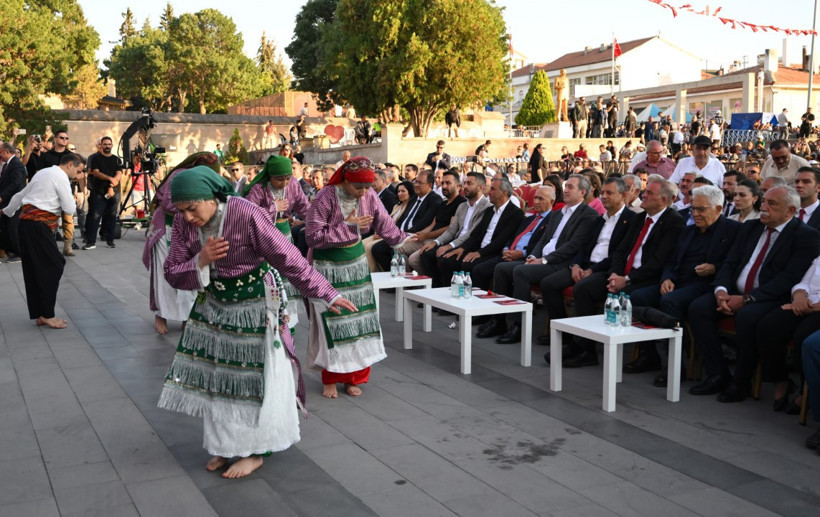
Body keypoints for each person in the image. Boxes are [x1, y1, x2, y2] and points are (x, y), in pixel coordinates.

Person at [158, 165, 352, 479]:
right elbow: (172, 271)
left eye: (192, 209)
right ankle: (225, 445)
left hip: (256, 305)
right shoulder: (183, 221)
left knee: (254, 380)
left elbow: (288, 257)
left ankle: (255, 451)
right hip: (214, 306)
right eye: (182, 211)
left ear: (211, 197)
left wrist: (327, 293)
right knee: (217, 379)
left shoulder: (246, 214)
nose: (189, 218)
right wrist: (201, 260)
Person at [688, 186, 820, 402]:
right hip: (735, 292)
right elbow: (731, 262)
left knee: (748, 317)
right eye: (764, 202)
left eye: (771, 204)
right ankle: (717, 373)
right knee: (699, 308)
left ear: (790, 211)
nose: (764, 208)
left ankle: (741, 382)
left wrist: (748, 299)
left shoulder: (805, 236)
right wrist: (721, 290)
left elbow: (788, 278)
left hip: (770, 297)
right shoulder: (750, 227)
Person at [305, 157, 410, 399]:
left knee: (360, 320)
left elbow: (383, 222)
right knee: (333, 320)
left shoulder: (370, 196)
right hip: (328, 266)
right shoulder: (326, 196)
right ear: (345, 180)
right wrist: (348, 226)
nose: (363, 193)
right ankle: (330, 378)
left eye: (367, 187)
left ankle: (354, 377)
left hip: (356, 265)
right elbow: (312, 236)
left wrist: (404, 239)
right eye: (358, 187)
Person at [626, 186, 741, 381]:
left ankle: (675, 365)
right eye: (693, 209)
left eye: (701, 209)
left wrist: (715, 267)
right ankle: (650, 354)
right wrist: (667, 278)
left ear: (719, 209)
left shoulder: (733, 230)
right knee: (636, 297)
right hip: (678, 280)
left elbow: (736, 261)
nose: (695, 214)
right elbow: (671, 260)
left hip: (705, 283)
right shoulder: (688, 231)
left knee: (670, 302)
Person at [0, 153, 82, 328]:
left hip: (27, 225)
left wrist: (7, 210)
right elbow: (69, 208)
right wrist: (77, 200)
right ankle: (46, 314)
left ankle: (40, 313)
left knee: (35, 268)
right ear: (69, 165)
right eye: (78, 170)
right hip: (38, 227)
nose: (77, 175)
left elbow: (20, 195)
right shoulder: (60, 177)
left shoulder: (43, 173)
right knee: (53, 265)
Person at [142, 153, 215, 335]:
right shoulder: (180, 175)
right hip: (165, 228)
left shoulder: (205, 179)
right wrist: (194, 205)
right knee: (165, 275)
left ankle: (187, 316)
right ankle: (161, 314)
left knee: (190, 270)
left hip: (189, 228)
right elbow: (168, 202)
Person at [244, 156, 312, 326]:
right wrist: (273, 207)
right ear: (270, 176)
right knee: (269, 276)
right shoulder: (259, 189)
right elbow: (247, 216)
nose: (284, 183)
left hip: (284, 234)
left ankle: (289, 321)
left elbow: (304, 208)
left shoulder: (294, 185)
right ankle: (268, 318)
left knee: (286, 275)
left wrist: (318, 221)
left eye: (287, 178)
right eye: (279, 179)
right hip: (263, 237)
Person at [84, 136, 123, 250]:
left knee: (111, 216)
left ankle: (110, 241)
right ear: (101, 145)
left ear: (112, 145)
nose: (107, 146)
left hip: (114, 192)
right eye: (104, 144)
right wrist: (110, 179)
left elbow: (119, 174)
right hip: (99, 192)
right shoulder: (96, 158)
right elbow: (96, 173)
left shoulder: (117, 159)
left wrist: (111, 184)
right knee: (95, 216)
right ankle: (91, 241)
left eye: (109, 144)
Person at [0, 142, 28, 262]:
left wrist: (2, 196)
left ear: (6, 152)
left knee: (13, 227)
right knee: (6, 227)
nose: (0, 156)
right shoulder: (9, 164)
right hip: (9, 201)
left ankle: (18, 253)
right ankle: (10, 249)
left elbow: (15, 184)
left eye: (1, 153)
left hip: (14, 201)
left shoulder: (16, 164)